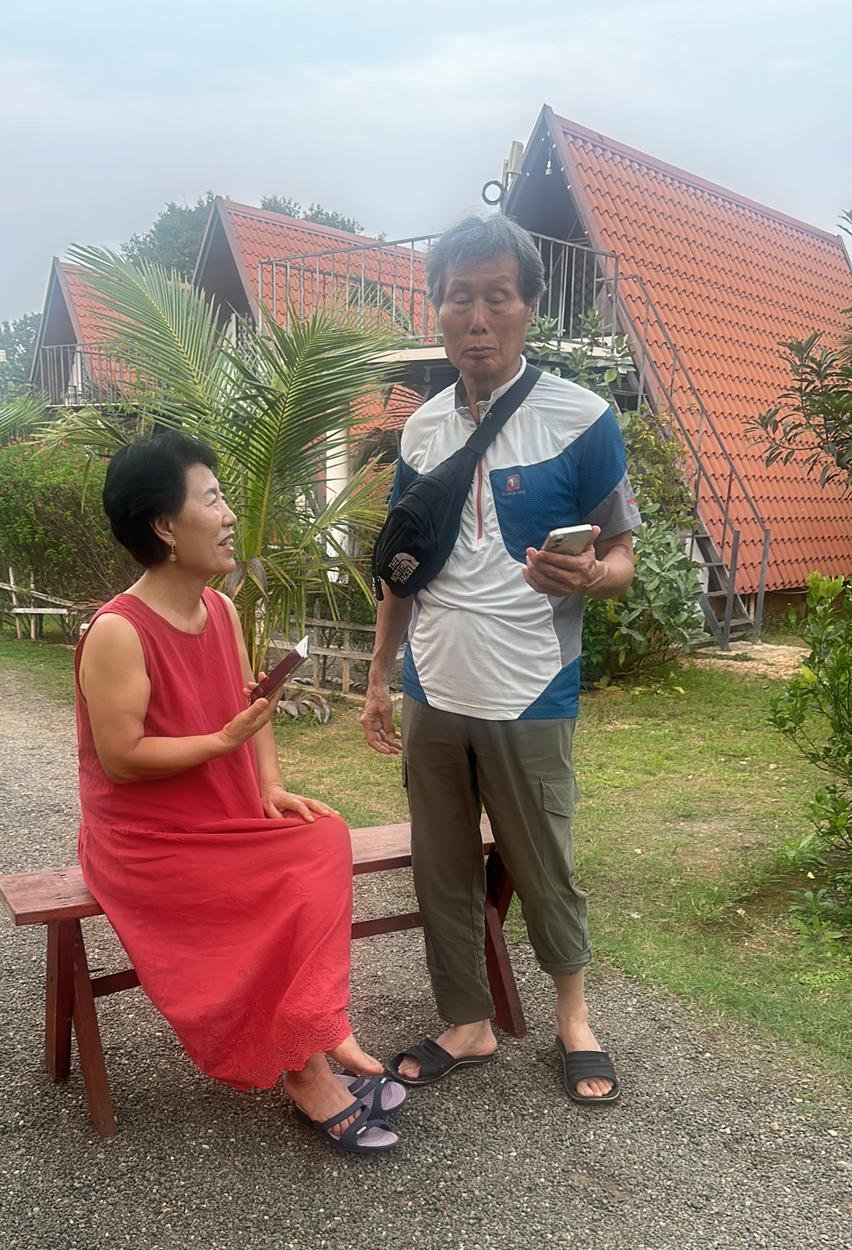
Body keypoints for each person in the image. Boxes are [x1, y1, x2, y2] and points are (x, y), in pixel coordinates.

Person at [361, 215, 641, 1104]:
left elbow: (624, 559)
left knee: (544, 861)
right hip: (434, 686)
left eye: (497, 297)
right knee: (441, 865)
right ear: (437, 309)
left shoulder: (582, 418)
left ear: (528, 306)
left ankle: (574, 1018)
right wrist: (380, 672)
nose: (477, 319)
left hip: (531, 687)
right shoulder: (420, 431)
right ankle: (467, 1021)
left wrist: (588, 573)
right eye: (460, 298)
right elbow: (403, 564)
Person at [77, 429, 403, 1152]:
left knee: (322, 835)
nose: (229, 517)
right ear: (165, 526)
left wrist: (271, 785)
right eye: (212, 499)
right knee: (287, 875)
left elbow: (249, 709)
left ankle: (315, 1028)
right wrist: (221, 744)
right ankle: (309, 1066)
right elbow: (122, 760)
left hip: (221, 817)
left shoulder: (219, 610)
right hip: (146, 839)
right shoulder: (118, 632)